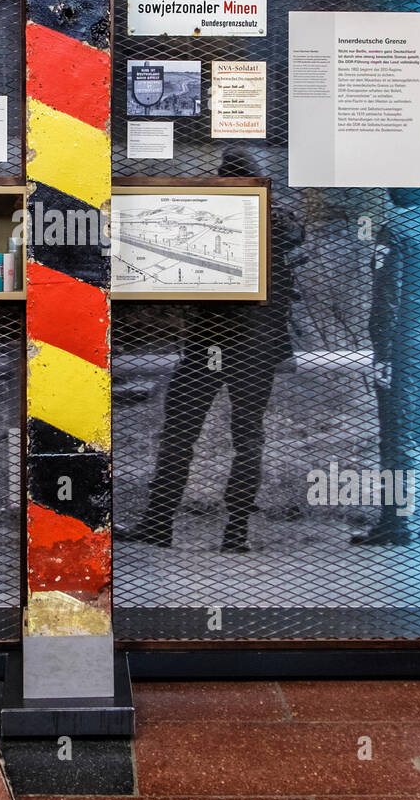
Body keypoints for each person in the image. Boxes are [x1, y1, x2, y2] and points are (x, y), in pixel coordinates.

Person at [118, 150, 306, 554]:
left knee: (181, 434)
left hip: (214, 341)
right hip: (254, 346)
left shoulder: (218, 214)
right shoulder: (276, 218)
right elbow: (293, 235)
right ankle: (233, 531)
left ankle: (159, 523)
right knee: (246, 437)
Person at [352, 187, 420, 546]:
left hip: (404, 347)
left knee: (396, 436)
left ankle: (395, 520)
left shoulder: (396, 230)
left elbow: (387, 298)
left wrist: (383, 354)